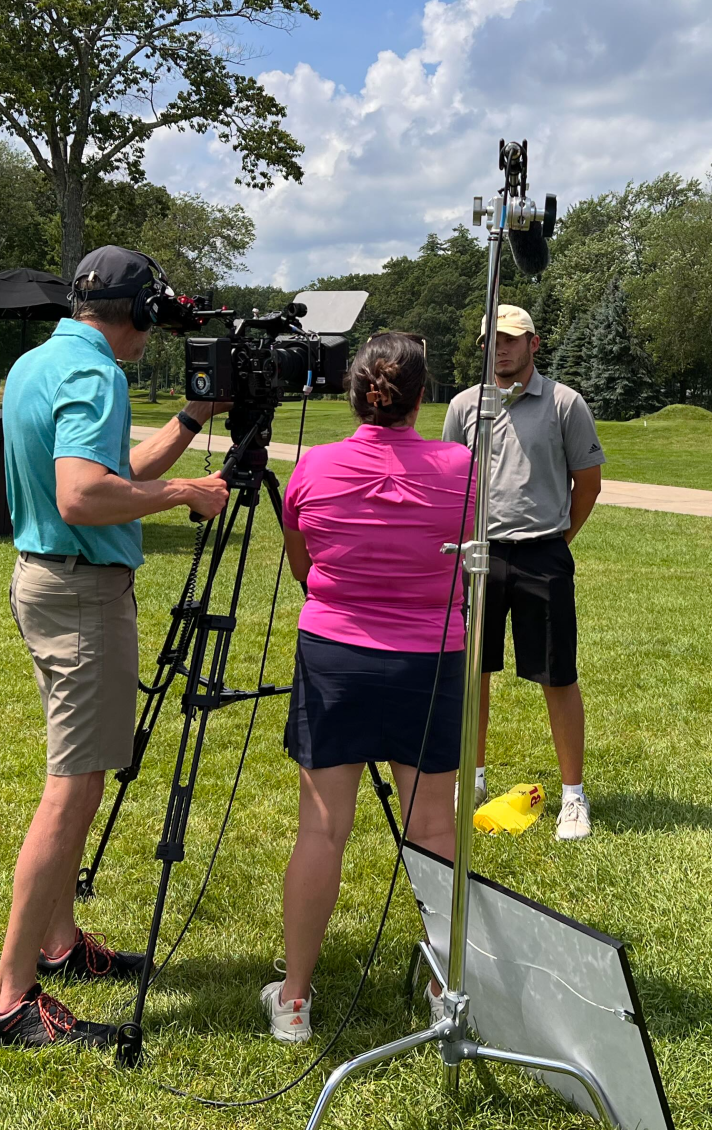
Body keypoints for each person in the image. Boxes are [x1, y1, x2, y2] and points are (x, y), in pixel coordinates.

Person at [0, 246, 229, 1051]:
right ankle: (9, 1001)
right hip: (81, 592)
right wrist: (186, 493)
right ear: (139, 312)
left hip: (49, 582)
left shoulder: (38, 362)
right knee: (73, 785)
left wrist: (190, 424)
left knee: (76, 774)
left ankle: (58, 943)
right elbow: (85, 495)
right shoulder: (97, 376)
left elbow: (108, 472)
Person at [263, 332, 473, 1043]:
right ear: (422, 396)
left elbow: (302, 560)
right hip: (429, 663)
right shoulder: (462, 467)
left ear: (355, 393)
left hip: (336, 658)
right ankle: (450, 985)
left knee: (322, 829)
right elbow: (474, 559)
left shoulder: (313, 467)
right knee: (435, 829)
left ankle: (294, 999)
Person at [442, 305, 605, 842]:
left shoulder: (564, 403)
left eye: (512, 339)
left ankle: (573, 798)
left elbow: (589, 484)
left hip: (543, 555)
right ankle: (474, 778)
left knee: (558, 676)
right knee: (474, 674)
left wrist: (560, 539)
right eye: (493, 340)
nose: (502, 349)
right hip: (480, 555)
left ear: (534, 344)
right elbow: (451, 481)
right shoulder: (466, 405)